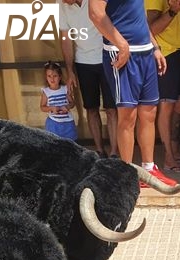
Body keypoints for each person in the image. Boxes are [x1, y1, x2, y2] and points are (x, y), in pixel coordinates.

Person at [88, 0, 177, 187]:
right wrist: (121, 44)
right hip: (120, 54)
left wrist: (154, 46)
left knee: (149, 112)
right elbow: (95, 14)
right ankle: (127, 175)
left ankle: (148, 169)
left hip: (145, 53)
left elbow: (140, 16)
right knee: (128, 116)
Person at [60, 0, 119, 157]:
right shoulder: (61, 4)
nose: (64, 1)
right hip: (83, 62)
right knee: (91, 108)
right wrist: (70, 71)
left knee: (112, 109)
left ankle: (114, 152)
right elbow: (65, 38)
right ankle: (99, 151)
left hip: (107, 58)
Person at [146, 0, 180, 173]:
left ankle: (175, 149)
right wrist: (173, 11)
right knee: (166, 107)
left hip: (179, 53)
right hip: (165, 54)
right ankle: (168, 157)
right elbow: (151, 29)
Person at [41, 61, 78, 141]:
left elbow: (72, 103)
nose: (52, 79)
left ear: (60, 76)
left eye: (55, 76)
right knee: (53, 143)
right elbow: (42, 107)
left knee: (70, 143)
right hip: (53, 123)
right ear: (46, 77)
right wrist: (51, 108)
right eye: (49, 76)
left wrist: (67, 106)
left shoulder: (65, 89)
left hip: (67, 122)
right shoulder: (46, 91)